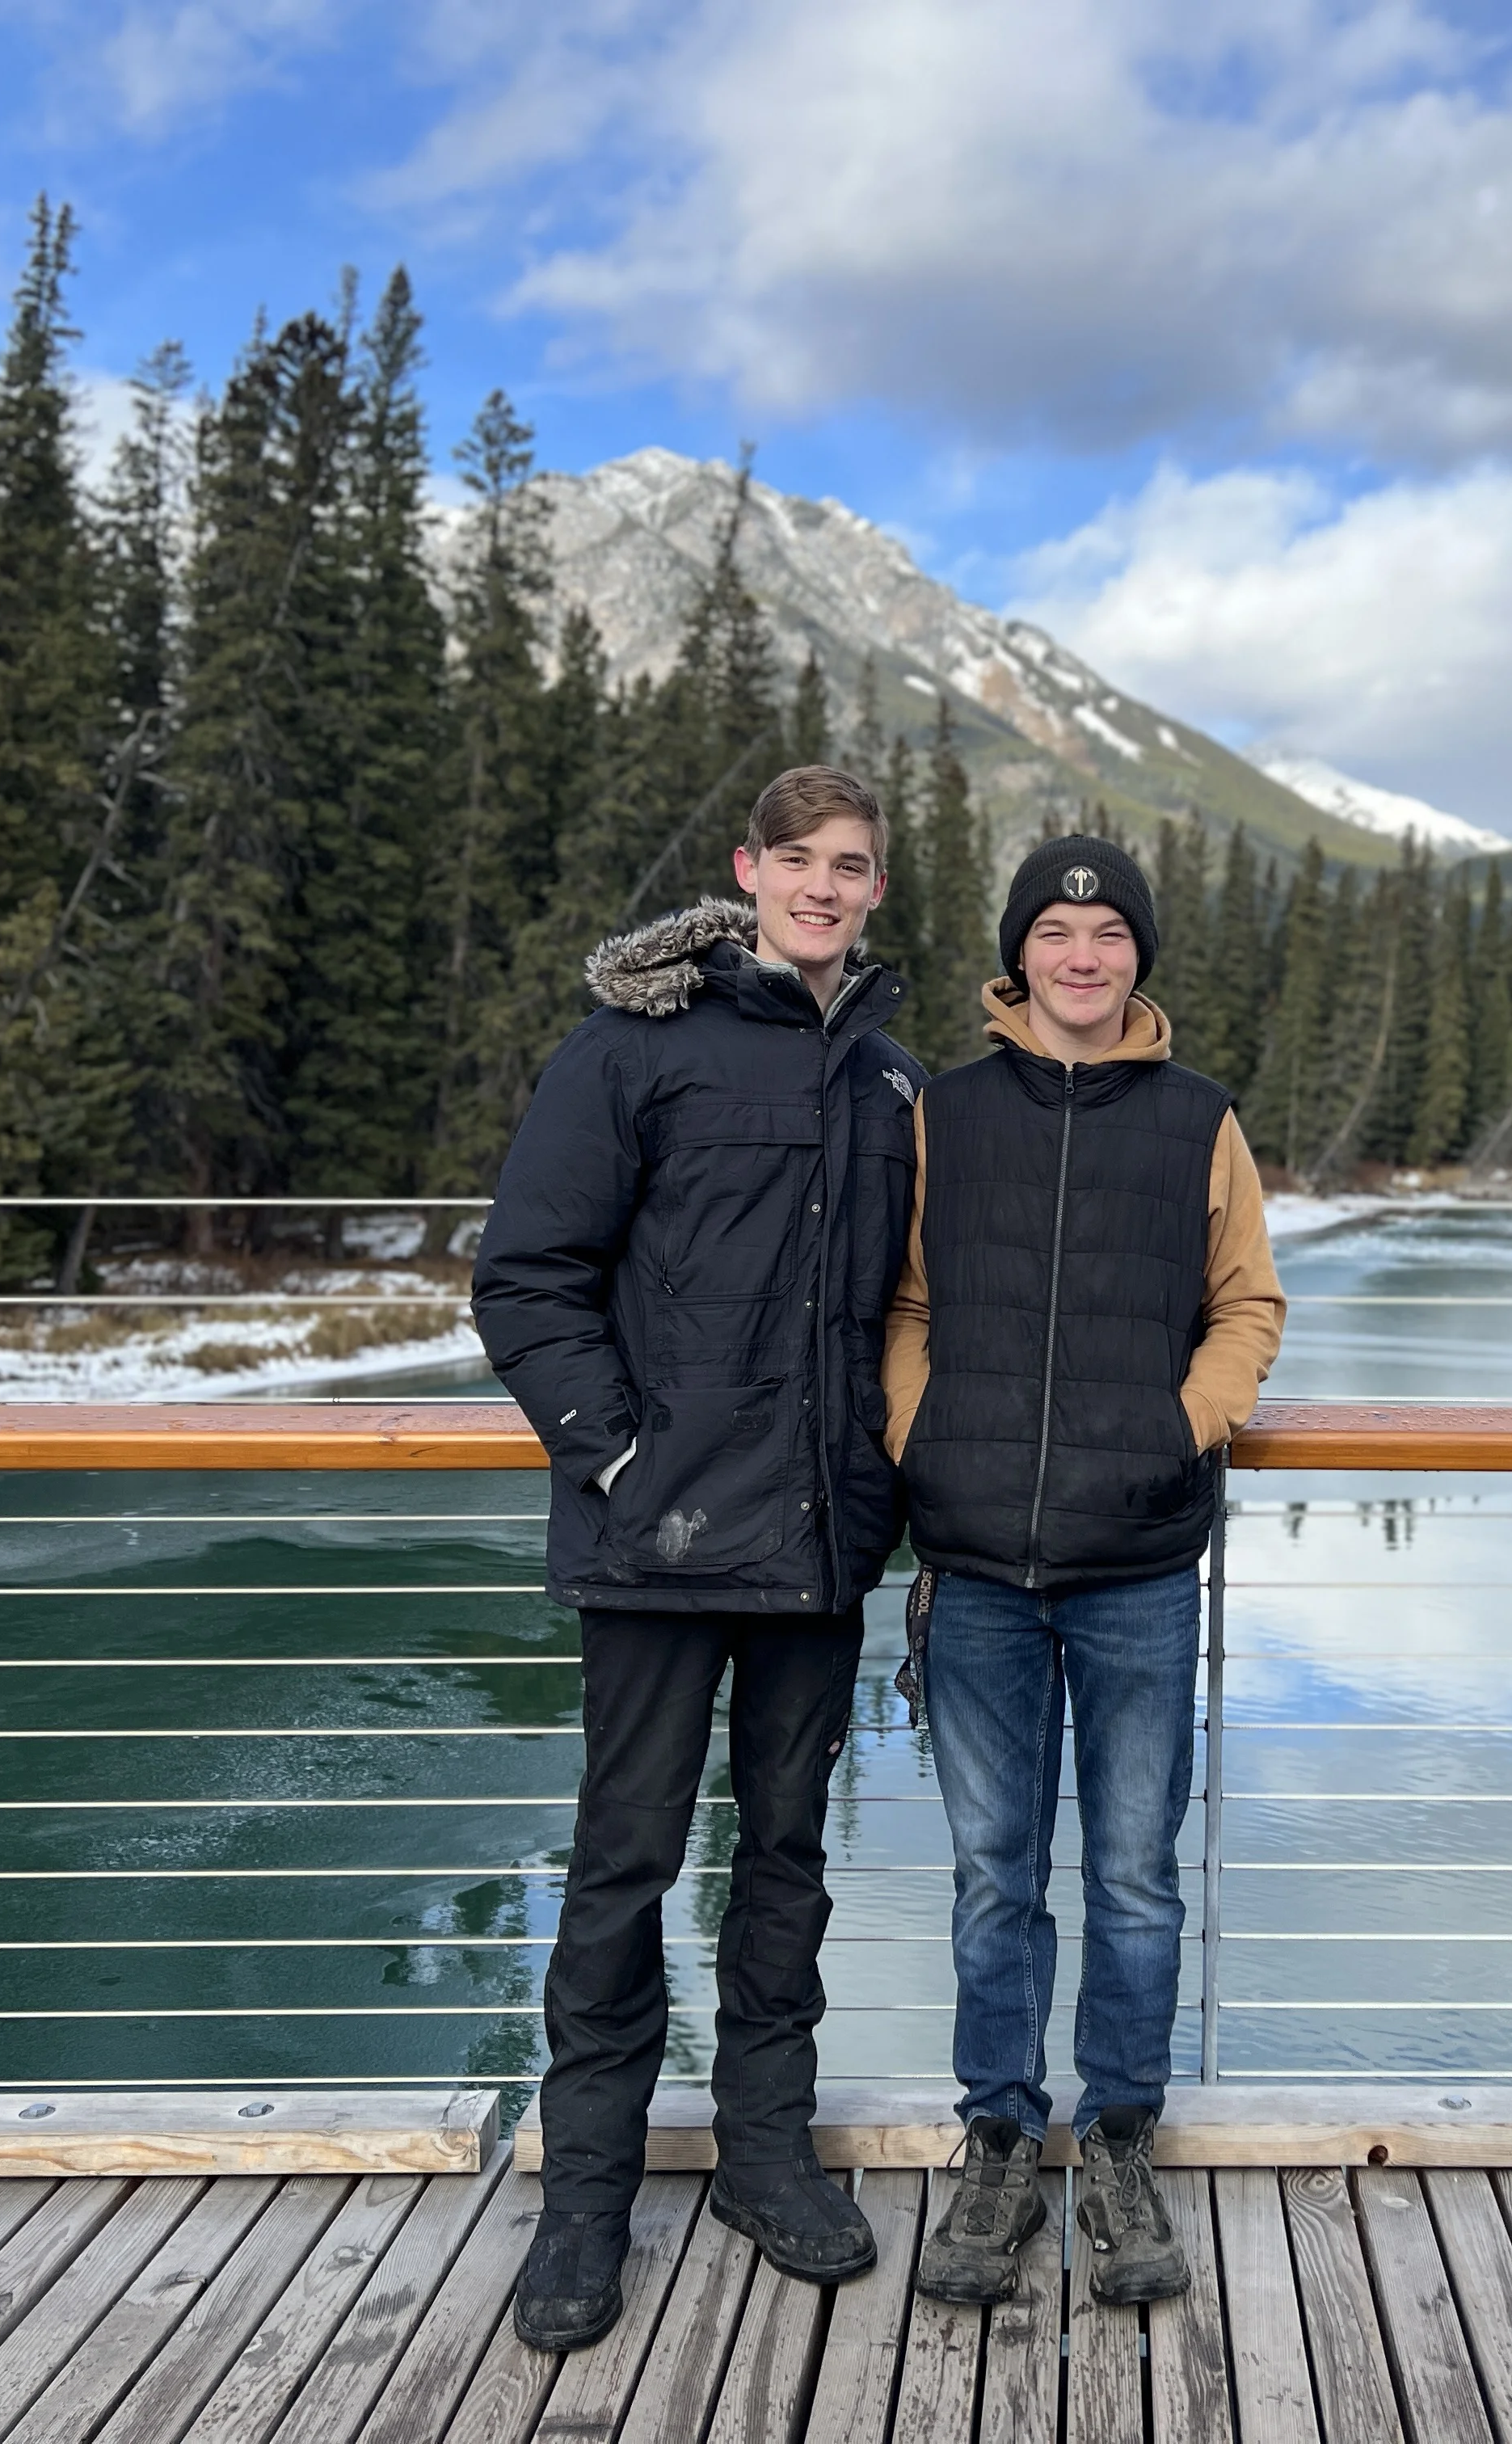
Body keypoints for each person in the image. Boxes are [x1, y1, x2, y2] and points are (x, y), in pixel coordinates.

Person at [472, 766, 925, 2349]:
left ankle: (765, 2159)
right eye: (795, 859)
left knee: (784, 1870)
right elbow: (526, 1276)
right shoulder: (634, 1046)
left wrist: (884, 1494)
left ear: (875, 887)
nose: (820, 885)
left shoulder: (886, 1078)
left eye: (848, 864)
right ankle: (583, 2208)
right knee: (620, 1877)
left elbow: (903, 1318)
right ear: (750, 870)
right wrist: (615, 1454)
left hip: (814, 1545)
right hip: (654, 1546)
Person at [882, 834, 1287, 2307]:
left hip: (1138, 1567)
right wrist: (926, 1438)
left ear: (1137, 959)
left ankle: (1118, 2139)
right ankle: (998, 2143)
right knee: (997, 1879)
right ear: (1021, 954)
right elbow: (906, 1301)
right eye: (1058, 932)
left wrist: (1175, 1429)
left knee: (1131, 1879)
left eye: (1110, 934)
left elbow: (1247, 1306)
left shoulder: (1200, 1121)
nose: (1083, 955)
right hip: (978, 1562)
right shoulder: (947, 1112)